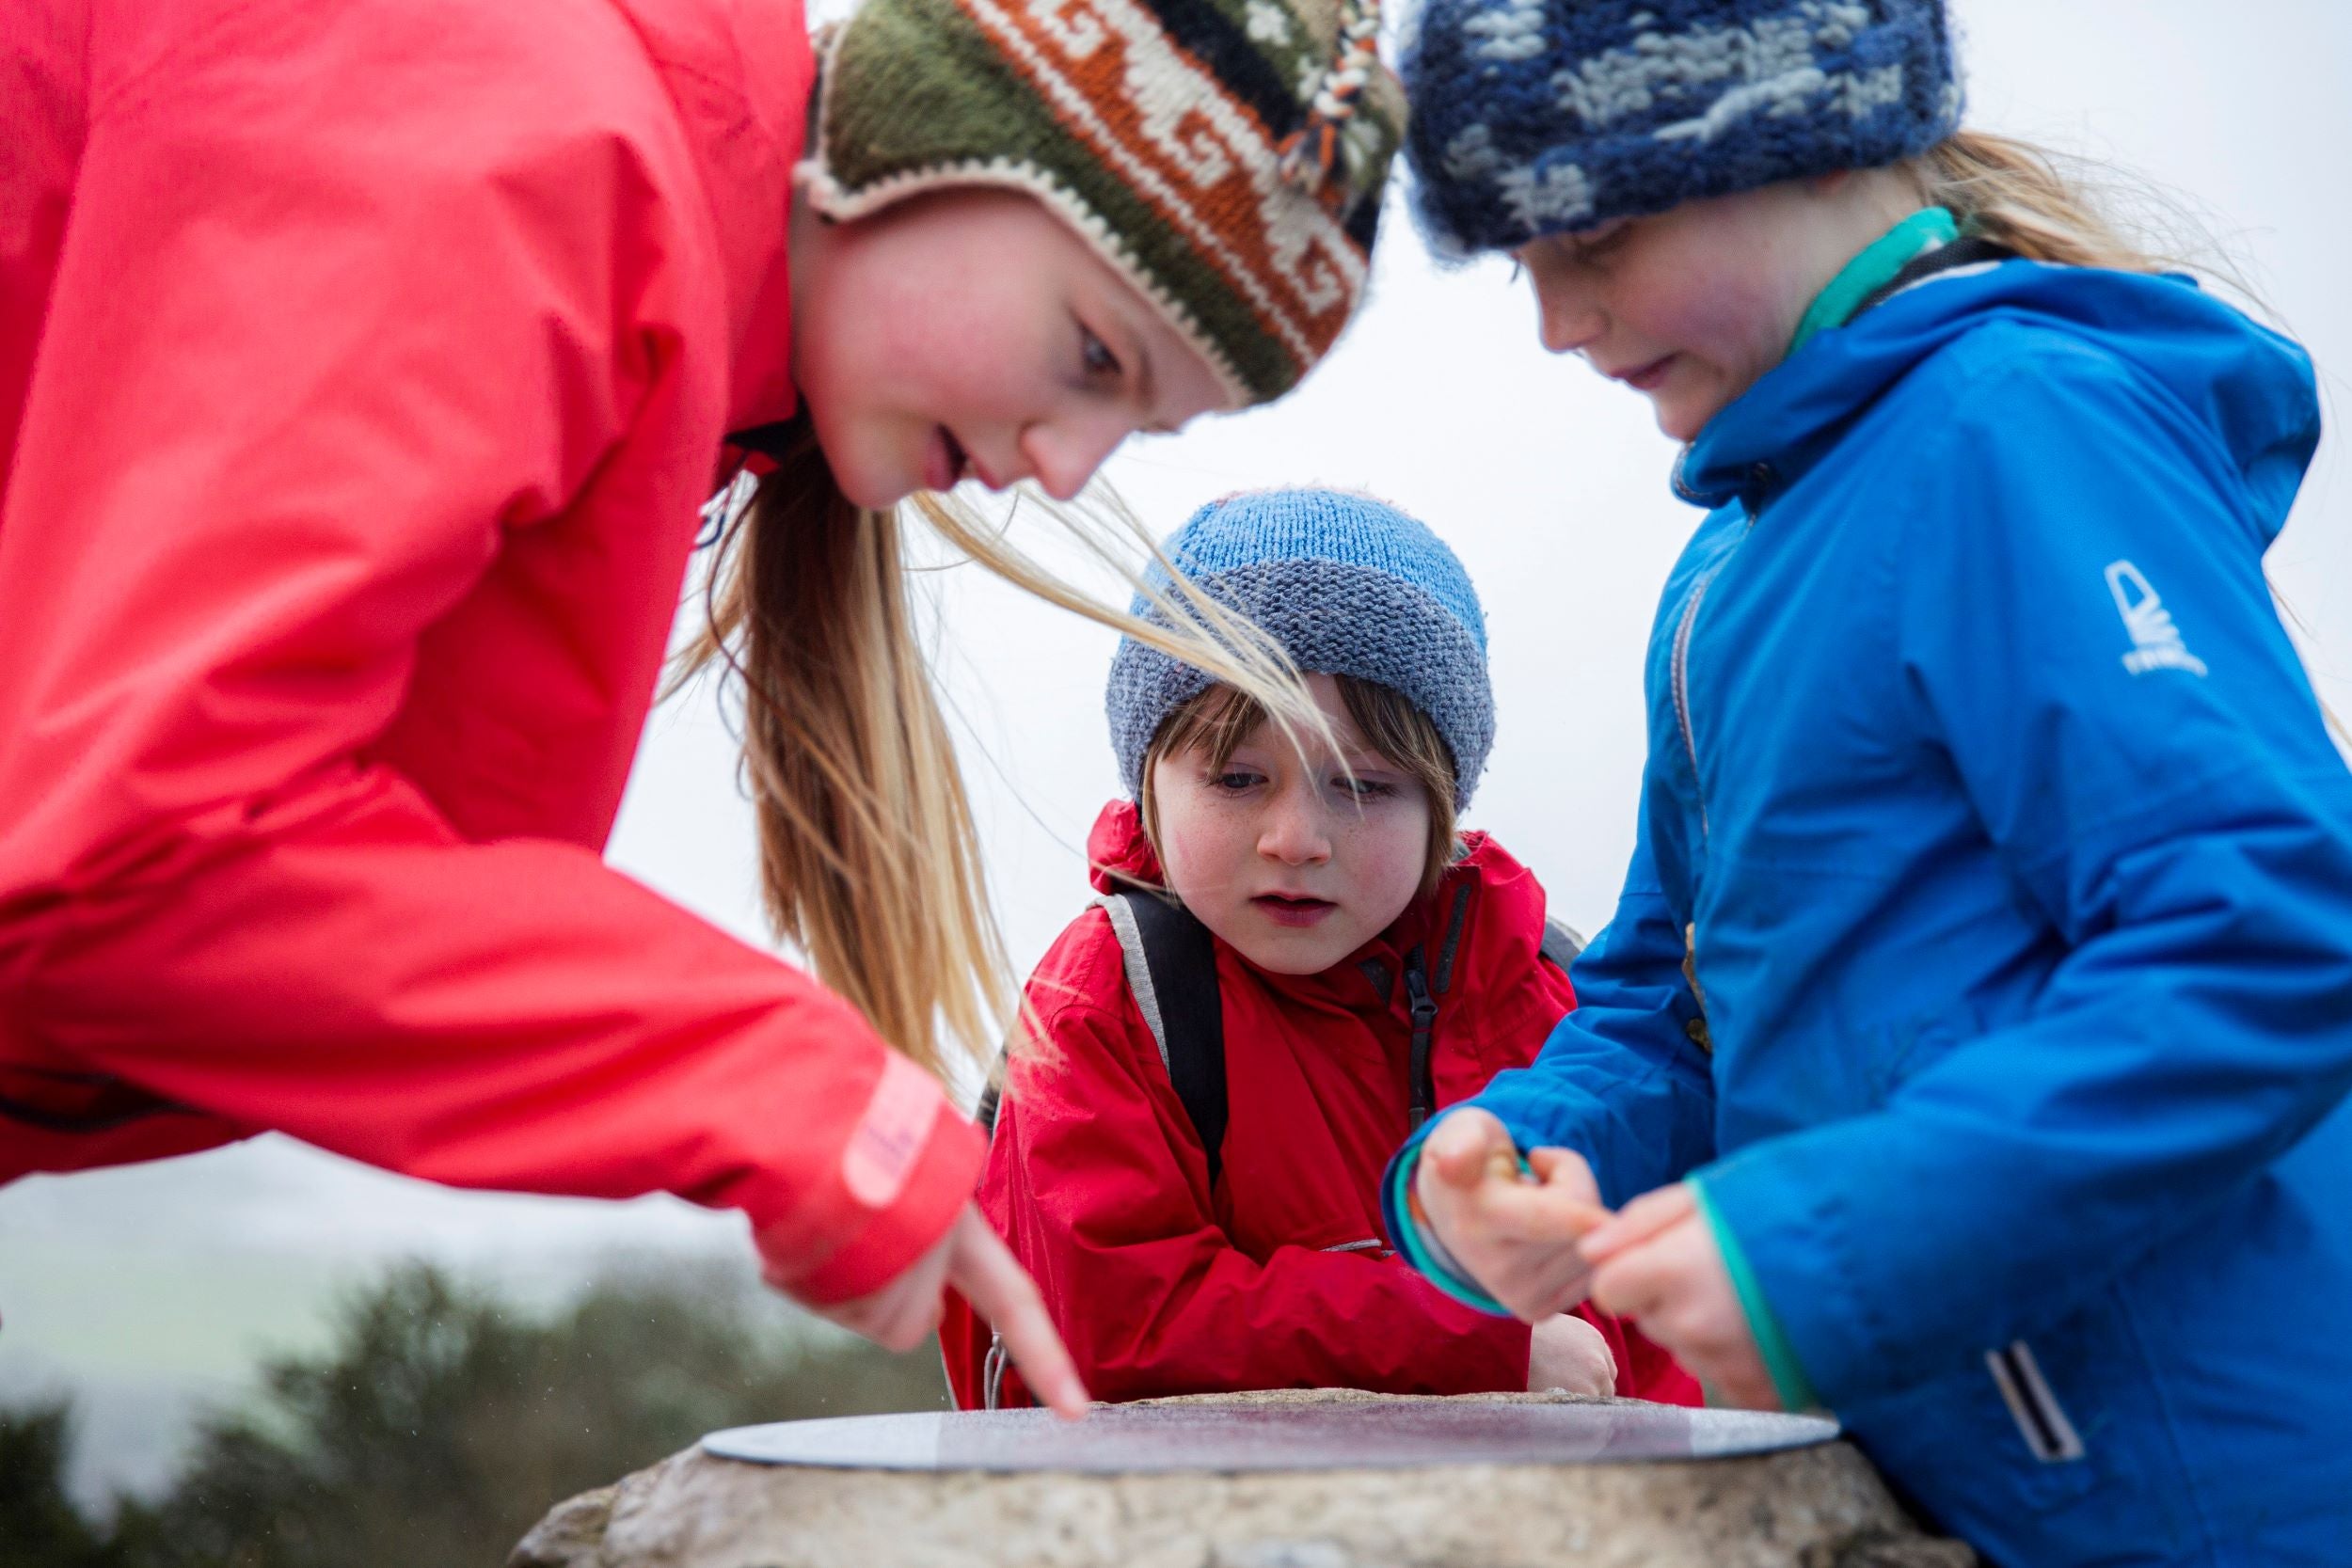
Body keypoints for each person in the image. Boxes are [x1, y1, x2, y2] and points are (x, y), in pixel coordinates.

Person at [0, 0, 1405, 1414]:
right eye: (1097, 356)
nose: (1065, 466)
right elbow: (129, 850)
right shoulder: (527, 144)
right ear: (942, 139)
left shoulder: (641, 260)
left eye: (1139, 427)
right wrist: (788, 1094)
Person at [1379, 0, 2352, 1561]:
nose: (1558, 323)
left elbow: (2271, 930)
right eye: (1523, 267)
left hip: (2218, 1492)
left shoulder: (2016, 425)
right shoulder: (1728, 573)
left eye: (1595, 240)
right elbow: (1672, 1007)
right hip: (1972, 1485)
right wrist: (1499, 1160)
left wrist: (1823, 1242)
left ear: (1794, 144)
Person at [940, 489, 1700, 1409]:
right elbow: (1114, 1325)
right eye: (1237, 777)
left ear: (1441, 805)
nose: (1296, 837)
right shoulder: (1109, 998)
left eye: (1362, 786)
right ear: (1149, 781)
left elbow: (1652, 1318)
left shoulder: (1548, 991)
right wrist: (1472, 1345)